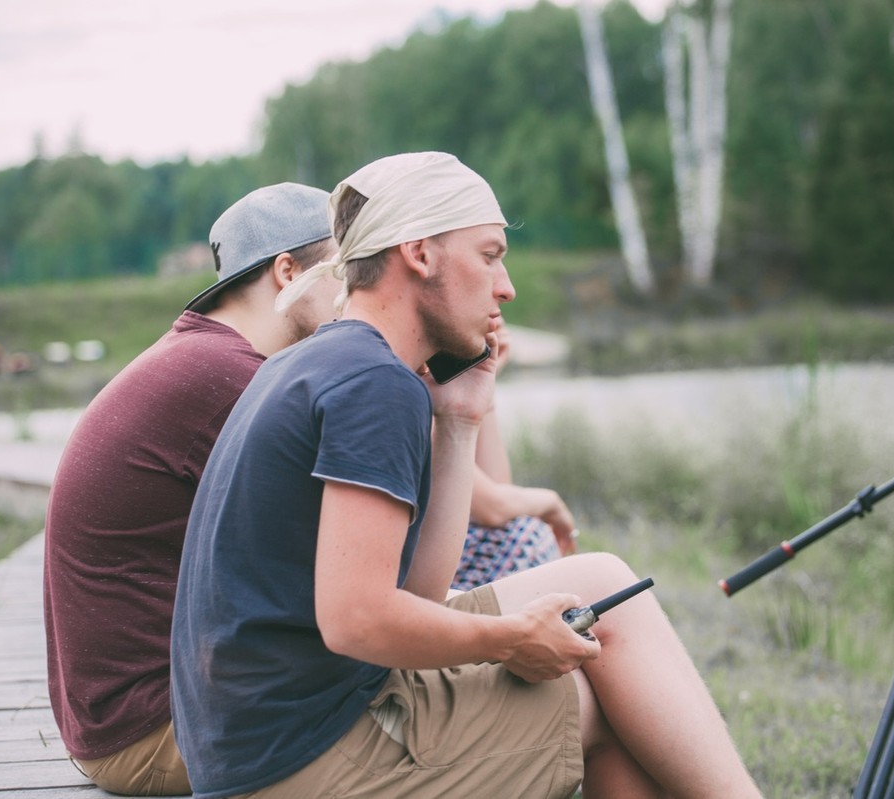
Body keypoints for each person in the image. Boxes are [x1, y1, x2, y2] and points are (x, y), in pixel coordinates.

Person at [170, 151, 762, 798]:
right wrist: (509, 639)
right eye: (489, 255)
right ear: (420, 252)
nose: (505, 286)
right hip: (301, 761)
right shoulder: (373, 383)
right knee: (617, 701)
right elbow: (355, 619)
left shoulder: (329, 360)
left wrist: (459, 418)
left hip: (268, 739)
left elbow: (416, 598)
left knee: (603, 581)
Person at [43, 182, 340, 796]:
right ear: (289, 272)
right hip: (158, 731)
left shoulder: (207, 358)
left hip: (132, 717)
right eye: (348, 271)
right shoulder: (226, 379)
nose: (360, 296)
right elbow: (354, 569)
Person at [453, 315, 579, 590]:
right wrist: (551, 502)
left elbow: (497, 488)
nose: (503, 295)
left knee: (522, 534)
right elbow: (492, 507)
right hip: (401, 587)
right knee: (528, 537)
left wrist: (485, 380)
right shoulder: (406, 382)